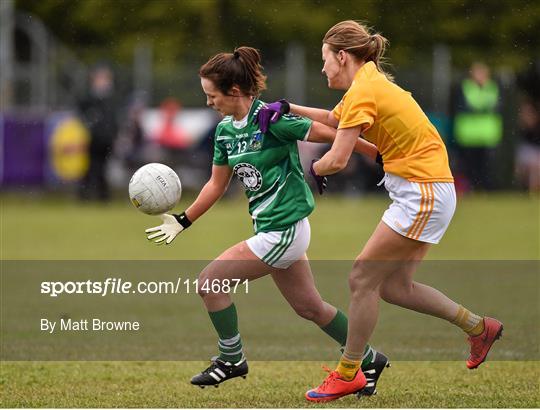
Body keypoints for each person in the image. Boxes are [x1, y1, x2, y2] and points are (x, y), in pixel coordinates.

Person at [257, 21, 503, 403]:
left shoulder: (365, 89)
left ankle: (348, 371)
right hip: (424, 190)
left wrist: (311, 169)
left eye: (325, 60)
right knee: (393, 287)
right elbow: (335, 120)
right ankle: (478, 328)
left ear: (342, 57)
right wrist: (287, 108)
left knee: (361, 278)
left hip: (422, 193)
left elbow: (336, 159)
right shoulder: (366, 85)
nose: (322, 69)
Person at [144, 46, 390, 394]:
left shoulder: (271, 119)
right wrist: (183, 220)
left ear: (233, 91)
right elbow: (216, 184)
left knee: (209, 283)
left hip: (285, 231)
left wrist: (379, 154)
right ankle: (368, 358)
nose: (209, 102)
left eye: (212, 95)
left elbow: (336, 135)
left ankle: (231, 359)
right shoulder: (226, 132)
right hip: (271, 231)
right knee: (310, 307)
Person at [452, 62, 503, 191]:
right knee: (469, 165)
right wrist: (483, 107)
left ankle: (484, 188)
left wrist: (478, 108)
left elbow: (496, 107)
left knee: (486, 166)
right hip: (468, 135)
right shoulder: (464, 87)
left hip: (487, 134)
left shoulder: (493, 87)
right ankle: (470, 188)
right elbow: (467, 107)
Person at [77, 64, 118, 201]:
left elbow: (114, 120)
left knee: (103, 169)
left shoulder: (111, 99)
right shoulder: (89, 98)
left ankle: (103, 197)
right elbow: (83, 115)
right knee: (91, 168)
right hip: (93, 139)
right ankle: (85, 195)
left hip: (107, 140)